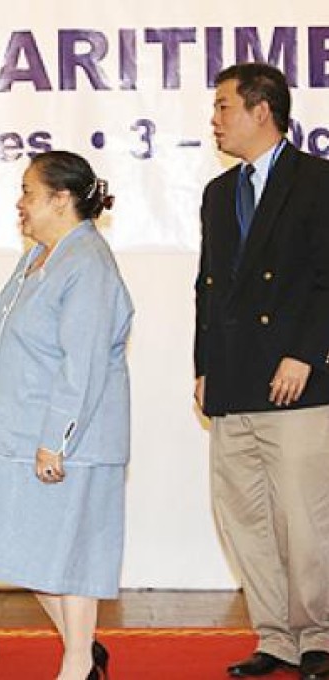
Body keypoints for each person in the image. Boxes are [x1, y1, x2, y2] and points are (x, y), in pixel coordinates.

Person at [0, 151, 132, 680]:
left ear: (61, 200)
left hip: (61, 441)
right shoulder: (40, 253)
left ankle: (77, 664)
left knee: (68, 557)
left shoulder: (88, 263)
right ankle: (87, 652)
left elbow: (81, 365)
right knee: (21, 556)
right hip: (10, 432)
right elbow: (8, 332)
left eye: (29, 192)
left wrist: (56, 440)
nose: (20, 203)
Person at [195, 63, 329, 680]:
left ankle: (319, 636)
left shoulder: (317, 181)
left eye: (224, 107)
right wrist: (204, 365)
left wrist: (306, 351)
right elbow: (208, 287)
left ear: (262, 110)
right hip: (234, 380)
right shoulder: (219, 193)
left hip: (297, 379)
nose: (216, 119)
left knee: (305, 519)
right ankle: (275, 637)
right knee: (245, 518)